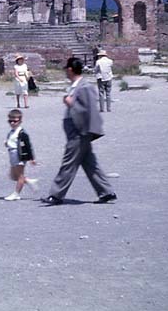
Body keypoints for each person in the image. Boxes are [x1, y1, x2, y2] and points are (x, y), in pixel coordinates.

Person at [41, 57, 117, 205]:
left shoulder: (84, 86)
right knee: (90, 163)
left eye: (66, 69)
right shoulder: (76, 86)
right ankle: (106, 192)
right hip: (77, 131)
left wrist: (71, 104)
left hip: (79, 131)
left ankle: (56, 195)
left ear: (70, 69)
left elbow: (89, 110)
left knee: (68, 163)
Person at [3, 109, 38, 201]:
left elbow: (28, 146)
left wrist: (31, 158)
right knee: (13, 176)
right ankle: (29, 181)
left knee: (19, 176)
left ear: (20, 121)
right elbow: (11, 141)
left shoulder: (22, 133)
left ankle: (16, 193)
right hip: (12, 154)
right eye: (10, 121)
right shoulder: (11, 132)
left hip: (19, 154)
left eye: (15, 121)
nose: (12, 123)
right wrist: (7, 143)